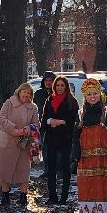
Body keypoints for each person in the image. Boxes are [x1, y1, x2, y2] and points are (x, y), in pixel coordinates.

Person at [72, 77, 107, 213]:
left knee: (104, 189)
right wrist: (76, 155)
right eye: (89, 94)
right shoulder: (81, 114)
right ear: (85, 96)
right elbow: (75, 136)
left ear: (99, 94)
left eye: (95, 93)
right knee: (88, 189)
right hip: (86, 161)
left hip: (105, 161)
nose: (92, 96)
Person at [0, 82, 40, 207]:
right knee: (5, 169)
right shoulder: (9, 103)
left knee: (23, 170)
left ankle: (23, 196)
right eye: (24, 92)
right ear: (19, 92)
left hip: (24, 143)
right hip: (8, 141)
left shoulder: (33, 107)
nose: (26, 95)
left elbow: (36, 124)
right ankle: (5, 196)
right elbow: (1, 118)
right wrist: (14, 130)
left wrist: (27, 129)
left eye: (29, 93)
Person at [40, 75, 76, 205]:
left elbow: (73, 121)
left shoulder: (71, 101)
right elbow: (44, 118)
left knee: (65, 168)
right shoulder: (49, 100)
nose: (60, 88)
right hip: (51, 138)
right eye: (58, 85)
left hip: (65, 138)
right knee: (51, 168)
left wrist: (61, 122)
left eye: (62, 85)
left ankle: (64, 196)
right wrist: (51, 121)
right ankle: (52, 196)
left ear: (66, 87)